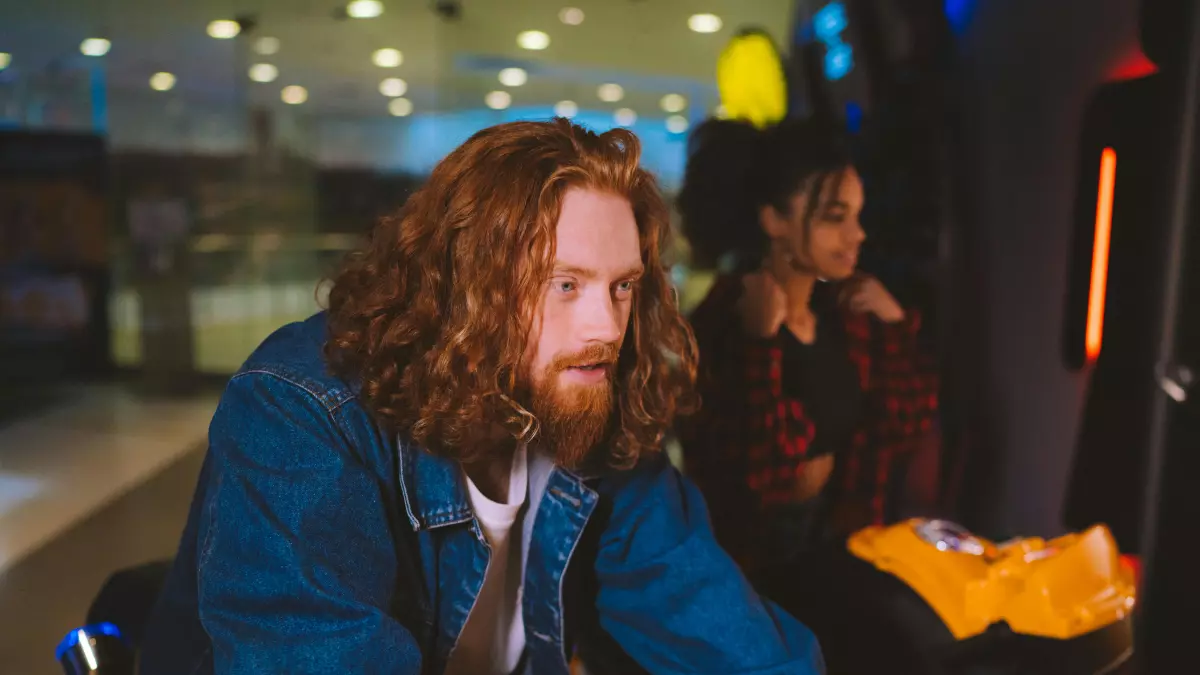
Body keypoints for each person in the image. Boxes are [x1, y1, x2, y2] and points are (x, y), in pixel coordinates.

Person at [139, 119, 824, 675]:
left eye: (622, 285)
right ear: (466, 284)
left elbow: (715, 620)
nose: (607, 327)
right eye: (565, 284)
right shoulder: (302, 412)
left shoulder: (587, 406)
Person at [674, 118, 940, 579]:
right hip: (746, 586)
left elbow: (903, 426)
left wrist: (895, 326)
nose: (857, 235)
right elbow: (760, 474)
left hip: (844, 571)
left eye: (857, 216)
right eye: (835, 217)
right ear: (774, 219)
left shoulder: (845, 313)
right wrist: (759, 345)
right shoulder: (722, 324)